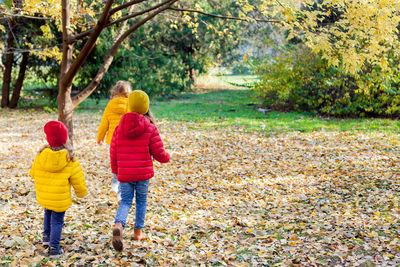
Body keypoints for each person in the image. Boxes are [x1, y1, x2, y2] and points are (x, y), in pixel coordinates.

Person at [110, 90, 170, 251]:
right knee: (141, 201)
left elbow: (113, 151)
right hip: (142, 174)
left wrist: (116, 170)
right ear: (145, 107)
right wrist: (166, 157)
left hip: (124, 173)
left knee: (126, 201)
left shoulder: (119, 128)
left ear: (129, 106)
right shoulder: (150, 127)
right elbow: (158, 151)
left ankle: (119, 225)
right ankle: (138, 232)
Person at [29, 121, 87, 257]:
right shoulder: (69, 158)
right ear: (65, 139)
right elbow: (78, 179)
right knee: (57, 220)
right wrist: (81, 192)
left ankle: (46, 237)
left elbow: (32, 173)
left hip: (45, 196)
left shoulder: (41, 155)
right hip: (60, 199)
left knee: (47, 213)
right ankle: (54, 248)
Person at [97, 81, 131, 200]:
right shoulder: (130, 105)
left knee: (116, 164)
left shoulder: (110, 105)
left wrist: (100, 137)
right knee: (124, 166)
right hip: (127, 140)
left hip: (113, 140)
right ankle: (120, 194)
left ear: (115, 92)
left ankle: (115, 185)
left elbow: (104, 123)